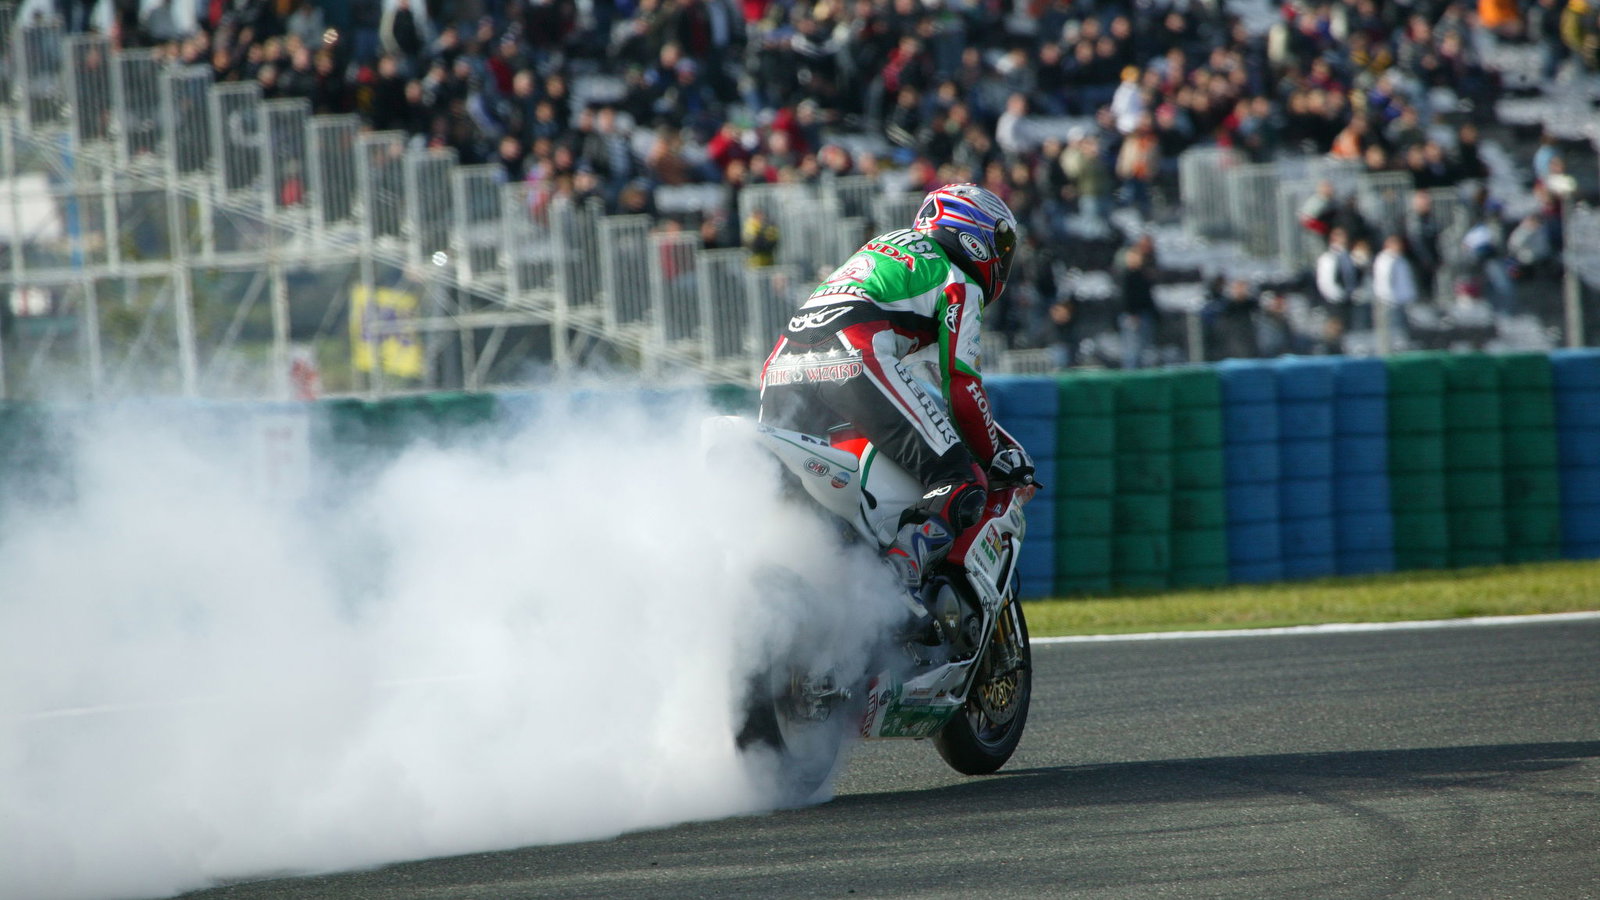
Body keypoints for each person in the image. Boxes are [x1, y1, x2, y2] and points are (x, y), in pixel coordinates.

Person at [757, 184, 1033, 588]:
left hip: (781, 366)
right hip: (853, 356)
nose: (1003, 257)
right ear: (974, 237)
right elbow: (960, 383)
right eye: (1001, 244)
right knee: (959, 477)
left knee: (812, 505)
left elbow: (927, 374)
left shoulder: (885, 245)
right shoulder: (960, 279)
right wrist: (993, 457)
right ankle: (896, 583)